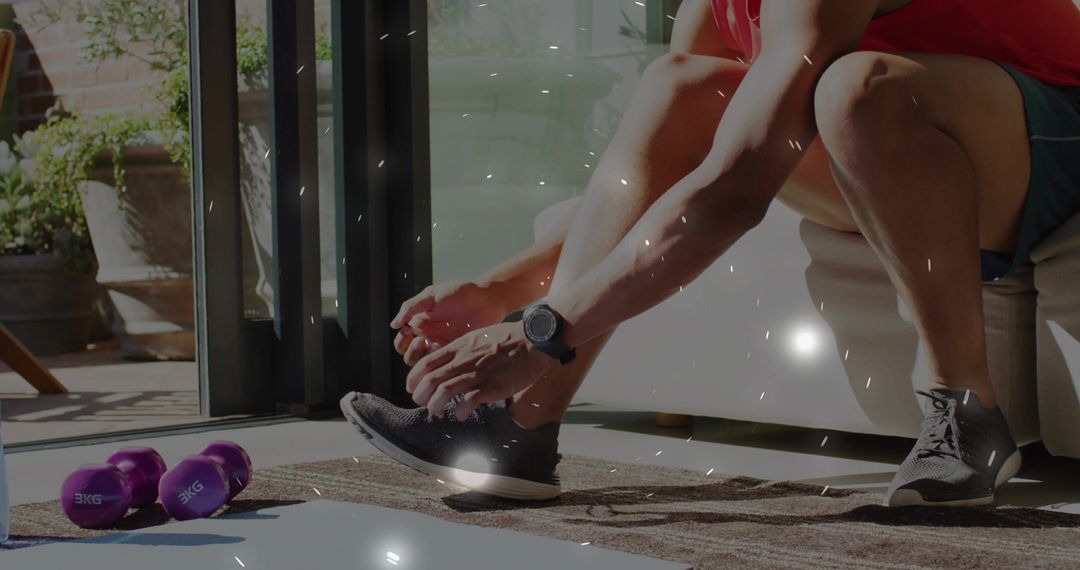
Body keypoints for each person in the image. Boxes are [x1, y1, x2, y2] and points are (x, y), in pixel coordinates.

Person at [341, 0, 1080, 507]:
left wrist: (545, 330)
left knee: (859, 87)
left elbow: (737, 185)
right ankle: (520, 427)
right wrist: (502, 289)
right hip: (887, 161)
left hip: (1039, 142)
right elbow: (683, 162)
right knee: (682, 85)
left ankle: (965, 409)